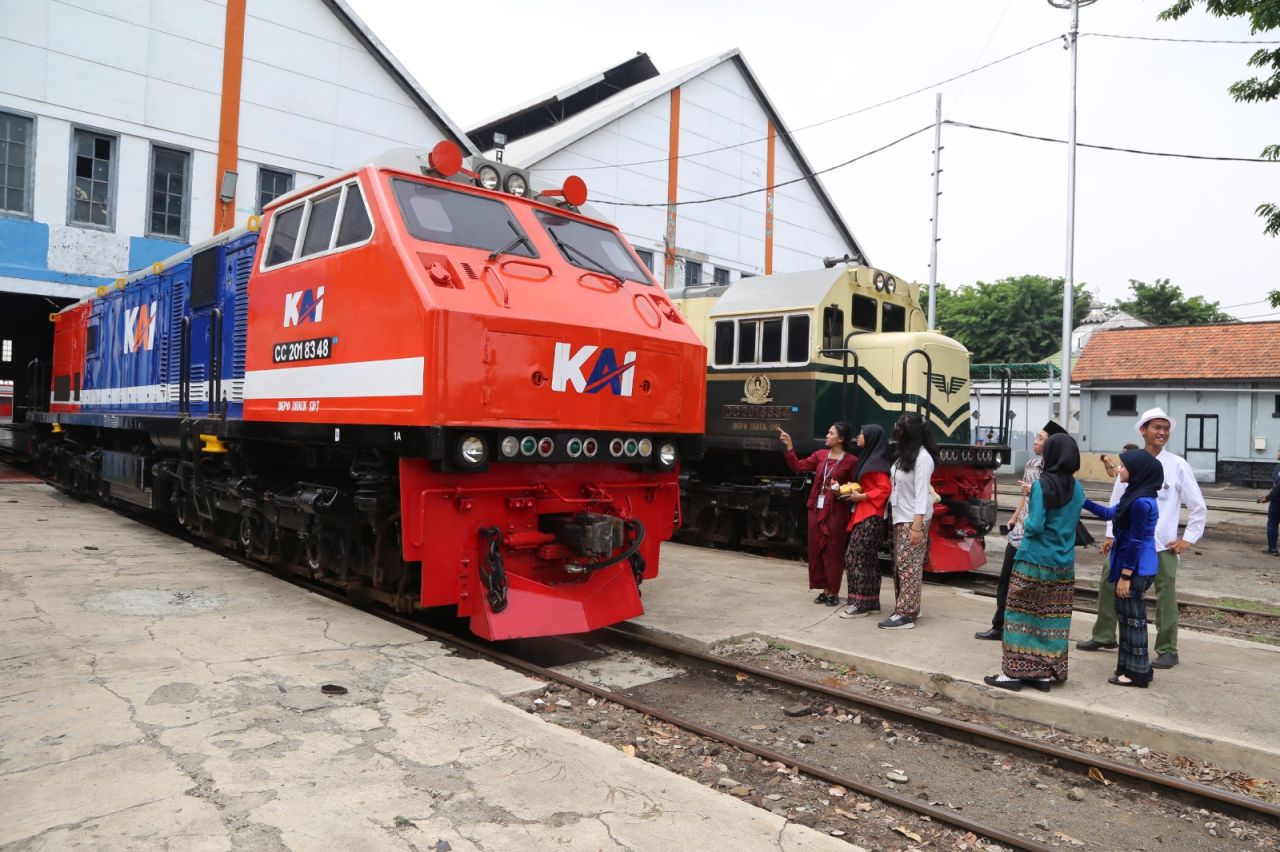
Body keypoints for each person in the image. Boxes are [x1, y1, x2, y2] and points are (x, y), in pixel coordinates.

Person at [1077, 408, 1207, 669]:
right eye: (1156, 427)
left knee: (1165, 594)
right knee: (1107, 583)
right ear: (1143, 430)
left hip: (1163, 545)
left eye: (1165, 428)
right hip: (1126, 542)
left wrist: (1188, 539)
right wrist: (1111, 535)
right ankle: (1104, 636)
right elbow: (1117, 502)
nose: (1162, 432)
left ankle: (1168, 649)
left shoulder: (1179, 466)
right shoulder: (1131, 462)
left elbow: (1198, 506)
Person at [983, 433, 1085, 691]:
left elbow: (1036, 524)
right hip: (1063, 564)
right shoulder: (1079, 489)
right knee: (1048, 619)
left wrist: (1026, 520)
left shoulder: (1041, 485)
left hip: (1033, 560)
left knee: (1019, 615)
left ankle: (1013, 674)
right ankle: (1041, 674)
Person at [975, 420, 1066, 641]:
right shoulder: (1032, 464)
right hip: (1019, 533)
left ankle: (1022, 630)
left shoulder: (1059, 473)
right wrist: (1014, 519)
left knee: (1028, 588)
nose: (1035, 441)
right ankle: (999, 625)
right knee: (1005, 582)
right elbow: (1025, 497)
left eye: (1041, 438)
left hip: (1037, 536)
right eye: (1037, 437)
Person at [1082, 449, 1163, 687]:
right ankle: (1131, 667)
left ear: (1137, 471)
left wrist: (1126, 576)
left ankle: (1137, 673)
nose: (1119, 470)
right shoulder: (1135, 495)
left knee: (1133, 620)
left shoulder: (1140, 502)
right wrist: (1083, 501)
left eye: (1123, 466)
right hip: (1134, 565)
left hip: (1136, 568)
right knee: (1127, 617)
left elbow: (1136, 541)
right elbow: (1109, 514)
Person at [779, 423, 858, 605]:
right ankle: (823, 589)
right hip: (816, 507)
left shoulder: (851, 461)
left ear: (841, 439)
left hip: (836, 511)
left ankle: (833, 592)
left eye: (830, 433)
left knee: (833, 551)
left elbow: (855, 486)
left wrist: (841, 492)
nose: (826, 435)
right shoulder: (820, 455)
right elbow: (798, 467)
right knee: (816, 549)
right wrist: (790, 447)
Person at [880, 412, 937, 630]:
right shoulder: (905, 455)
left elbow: (922, 494)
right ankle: (908, 606)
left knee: (909, 566)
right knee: (901, 565)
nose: (896, 429)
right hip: (900, 517)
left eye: (900, 426)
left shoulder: (923, 459)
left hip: (912, 519)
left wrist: (916, 527)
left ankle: (906, 614)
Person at [838, 424, 893, 618]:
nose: (857, 437)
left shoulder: (876, 463)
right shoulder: (873, 459)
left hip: (870, 515)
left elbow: (885, 489)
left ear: (870, 438)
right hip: (867, 514)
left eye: (861, 433)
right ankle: (870, 602)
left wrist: (863, 496)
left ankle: (859, 603)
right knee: (868, 560)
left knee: (854, 557)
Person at [1257, 447, 1280, 556]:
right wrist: (1268, 496)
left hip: (1277, 502)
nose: (1277, 452)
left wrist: (1268, 497)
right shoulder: (1277, 467)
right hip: (1275, 499)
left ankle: (1272, 549)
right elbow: (1275, 486)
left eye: (1279, 451)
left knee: (1272, 524)